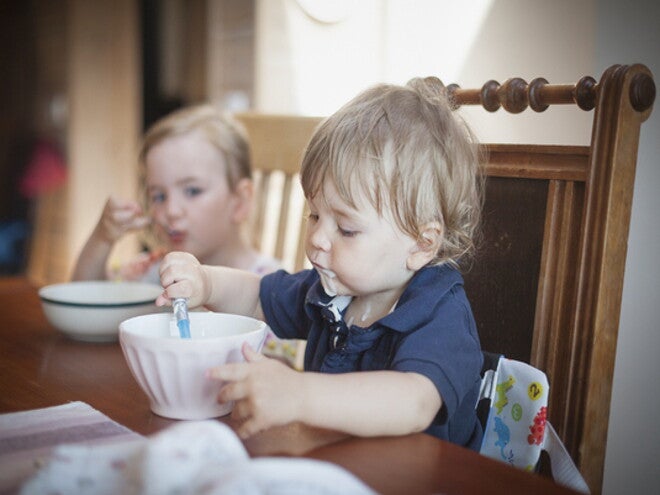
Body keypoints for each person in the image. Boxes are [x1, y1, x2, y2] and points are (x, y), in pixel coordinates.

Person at [157, 77, 485, 450]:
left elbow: (414, 403)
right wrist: (206, 282)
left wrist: (299, 394)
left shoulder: (438, 313)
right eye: (314, 216)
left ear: (422, 244)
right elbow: (256, 298)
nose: (316, 239)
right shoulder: (334, 290)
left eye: (345, 229)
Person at [71, 104, 280, 284]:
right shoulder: (152, 269)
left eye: (192, 191)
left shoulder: (272, 289)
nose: (170, 211)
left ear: (240, 202)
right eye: (159, 196)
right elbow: (84, 298)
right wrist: (103, 237)